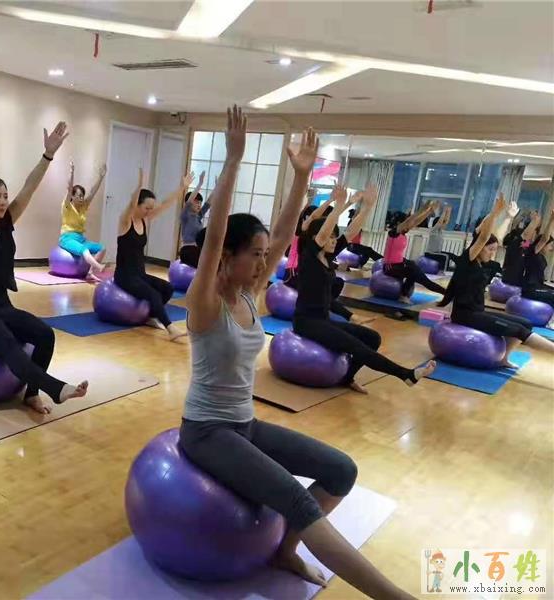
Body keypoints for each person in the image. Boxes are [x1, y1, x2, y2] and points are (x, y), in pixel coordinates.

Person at [180, 107, 417, 600]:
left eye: (264, 254)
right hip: (206, 431)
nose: (264, 260)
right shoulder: (205, 302)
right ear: (227, 257)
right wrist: (233, 162)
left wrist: (301, 178)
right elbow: (215, 237)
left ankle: (285, 549)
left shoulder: (251, 293)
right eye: (255, 253)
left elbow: (286, 233)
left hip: (244, 424)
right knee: (295, 498)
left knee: (341, 470)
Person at [0, 100, 87, 415]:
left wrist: (48, 155)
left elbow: (30, 186)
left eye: (4, 196)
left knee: (45, 335)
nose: (3, 201)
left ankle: (31, 394)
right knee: (8, 346)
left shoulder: (6, 222)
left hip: (1, 305)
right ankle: (57, 389)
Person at [294, 184, 435, 393]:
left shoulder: (327, 256)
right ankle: (406, 375)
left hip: (323, 319)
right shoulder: (309, 258)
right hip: (307, 323)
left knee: (372, 338)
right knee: (356, 345)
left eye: (334, 236)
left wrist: (368, 207)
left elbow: (350, 232)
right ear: (318, 239)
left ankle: (347, 378)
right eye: (330, 237)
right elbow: (322, 234)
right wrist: (339, 204)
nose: (333, 240)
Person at [438, 195, 554, 362]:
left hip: (478, 312)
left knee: (525, 323)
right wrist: (495, 212)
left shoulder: (483, 263)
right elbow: (483, 237)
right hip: (465, 315)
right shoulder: (468, 259)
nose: (493, 253)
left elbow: (493, 237)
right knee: (520, 331)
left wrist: (507, 217)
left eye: (494, 250)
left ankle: (504, 358)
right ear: (478, 248)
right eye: (490, 250)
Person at [114, 167, 193, 341]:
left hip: (139, 274)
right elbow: (131, 205)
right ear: (137, 205)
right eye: (146, 208)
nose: (149, 212)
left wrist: (182, 188)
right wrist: (139, 186)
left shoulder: (144, 220)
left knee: (168, 288)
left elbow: (165, 204)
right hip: (124, 276)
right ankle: (171, 329)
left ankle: (150, 316)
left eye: (151, 208)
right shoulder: (125, 222)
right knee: (154, 294)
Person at [283, 195, 354, 323]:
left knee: (337, 282)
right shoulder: (303, 231)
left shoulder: (320, 241)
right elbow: (315, 217)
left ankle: (325, 307)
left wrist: (348, 203)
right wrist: (331, 200)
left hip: (311, 272)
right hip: (293, 273)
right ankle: (342, 313)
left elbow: (331, 218)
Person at [383, 202, 447, 303]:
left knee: (423, 278)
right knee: (412, 272)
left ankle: (447, 293)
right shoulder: (394, 232)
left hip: (400, 263)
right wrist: (424, 209)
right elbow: (410, 220)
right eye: (405, 224)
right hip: (390, 266)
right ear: (399, 224)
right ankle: (403, 295)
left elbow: (415, 222)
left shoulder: (402, 232)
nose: (409, 226)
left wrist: (428, 211)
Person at [58, 161, 107, 280]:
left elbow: (92, 192)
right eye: (79, 195)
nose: (81, 198)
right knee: (84, 250)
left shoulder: (83, 207)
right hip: (67, 238)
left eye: (82, 196)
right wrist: (72, 172)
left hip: (80, 238)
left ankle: (90, 272)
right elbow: (69, 188)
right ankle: (99, 267)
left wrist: (101, 177)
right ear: (72, 196)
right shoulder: (67, 206)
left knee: (102, 248)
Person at [520, 207, 554, 319]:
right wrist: (551, 220)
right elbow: (545, 238)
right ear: (542, 245)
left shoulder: (540, 256)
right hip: (530, 289)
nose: (551, 248)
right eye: (550, 245)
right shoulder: (532, 252)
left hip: (538, 286)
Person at [177, 171, 208, 268]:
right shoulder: (185, 215)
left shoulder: (198, 216)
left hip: (198, 250)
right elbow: (189, 201)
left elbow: (208, 203)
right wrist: (200, 184)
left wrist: (218, 187)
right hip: (188, 250)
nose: (199, 205)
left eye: (200, 203)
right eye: (197, 202)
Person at [502, 209, 539, 288]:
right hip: (509, 282)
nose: (534, 234)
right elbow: (526, 234)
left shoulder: (526, 246)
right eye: (533, 231)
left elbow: (529, 241)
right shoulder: (516, 244)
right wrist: (535, 221)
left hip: (517, 283)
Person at [422, 205, 458, 272]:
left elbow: (446, 221)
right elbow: (440, 222)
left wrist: (449, 211)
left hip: (437, 253)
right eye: (442, 223)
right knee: (447, 256)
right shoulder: (433, 230)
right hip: (431, 253)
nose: (444, 224)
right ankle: (443, 271)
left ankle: (459, 267)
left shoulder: (440, 231)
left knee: (452, 255)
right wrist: (444, 211)